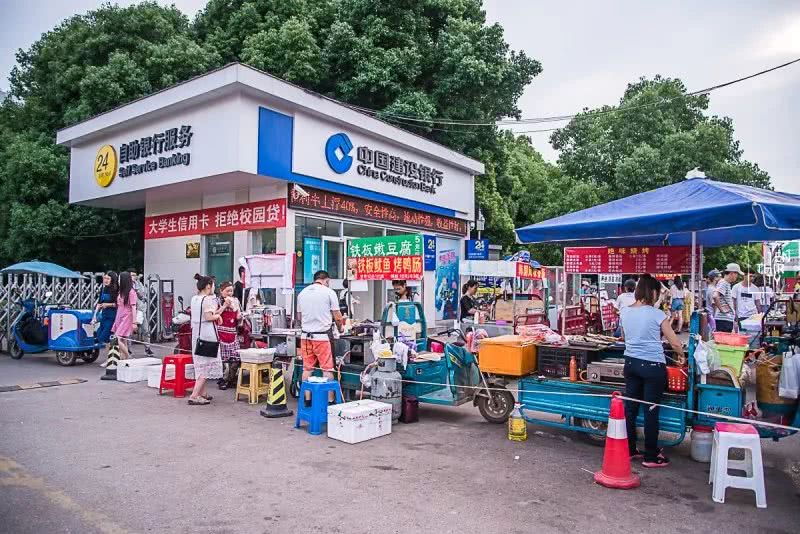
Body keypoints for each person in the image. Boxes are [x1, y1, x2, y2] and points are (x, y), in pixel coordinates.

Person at [620, 274, 685, 468]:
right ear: (653, 292)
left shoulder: (625, 311)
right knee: (651, 410)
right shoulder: (656, 314)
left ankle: (630, 449)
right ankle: (650, 455)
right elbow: (674, 341)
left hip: (630, 363)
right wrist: (681, 354)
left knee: (630, 409)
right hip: (652, 367)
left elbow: (624, 336)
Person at [297, 270, 343, 401]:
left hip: (305, 337)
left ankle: (306, 399)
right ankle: (330, 400)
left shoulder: (302, 293)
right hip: (322, 337)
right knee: (327, 369)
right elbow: (338, 317)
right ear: (326, 280)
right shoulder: (329, 292)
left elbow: (299, 317)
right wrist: (341, 329)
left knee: (307, 369)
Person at [189, 274, 223, 405]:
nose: (214, 287)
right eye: (213, 284)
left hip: (196, 334)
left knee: (200, 363)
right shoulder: (208, 299)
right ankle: (194, 395)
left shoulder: (194, 299)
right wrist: (218, 316)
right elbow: (209, 317)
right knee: (207, 365)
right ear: (208, 286)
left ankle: (202, 393)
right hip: (207, 334)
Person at [216, 281, 242, 390]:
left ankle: (230, 379)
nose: (230, 293)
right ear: (221, 291)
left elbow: (238, 316)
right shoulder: (217, 301)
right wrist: (224, 306)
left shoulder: (236, 301)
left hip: (232, 332)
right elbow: (215, 314)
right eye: (227, 291)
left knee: (235, 358)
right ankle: (222, 380)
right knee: (222, 359)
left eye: (231, 291)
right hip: (221, 333)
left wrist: (239, 315)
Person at [111, 272, 137, 361]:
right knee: (123, 339)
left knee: (117, 338)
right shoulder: (121, 292)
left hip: (127, 316)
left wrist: (134, 322)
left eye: (119, 279)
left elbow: (134, 307)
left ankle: (128, 357)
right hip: (119, 315)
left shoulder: (131, 292)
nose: (118, 281)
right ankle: (124, 359)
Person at [127, 268, 153, 357]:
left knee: (146, 330)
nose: (133, 277)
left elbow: (143, 294)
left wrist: (138, 287)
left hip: (141, 311)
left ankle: (147, 348)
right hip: (131, 311)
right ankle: (128, 350)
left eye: (134, 275)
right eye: (131, 275)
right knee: (129, 332)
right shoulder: (126, 286)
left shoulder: (139, 284)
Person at [714, 263, 743, 333]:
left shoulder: (725, 283)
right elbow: (715, 296)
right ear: (732, 273)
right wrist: (722, 309)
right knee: (724, 341)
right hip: (724, 319)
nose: (737, 276)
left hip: (725, 319)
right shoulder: (724, 283)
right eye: (737, 274)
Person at [95, 271, 118, 344]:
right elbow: (99, 303)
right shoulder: (103, 289)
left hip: (113, 316)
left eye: (108, 278)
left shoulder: (116, 289)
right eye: (105, 278)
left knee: (104, 337)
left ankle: (117, 353)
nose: (106, 280)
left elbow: (118, 304)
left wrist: (108, 305)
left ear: (113, 279)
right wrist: (94, 316)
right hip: (104, 315)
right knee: (98, 335)